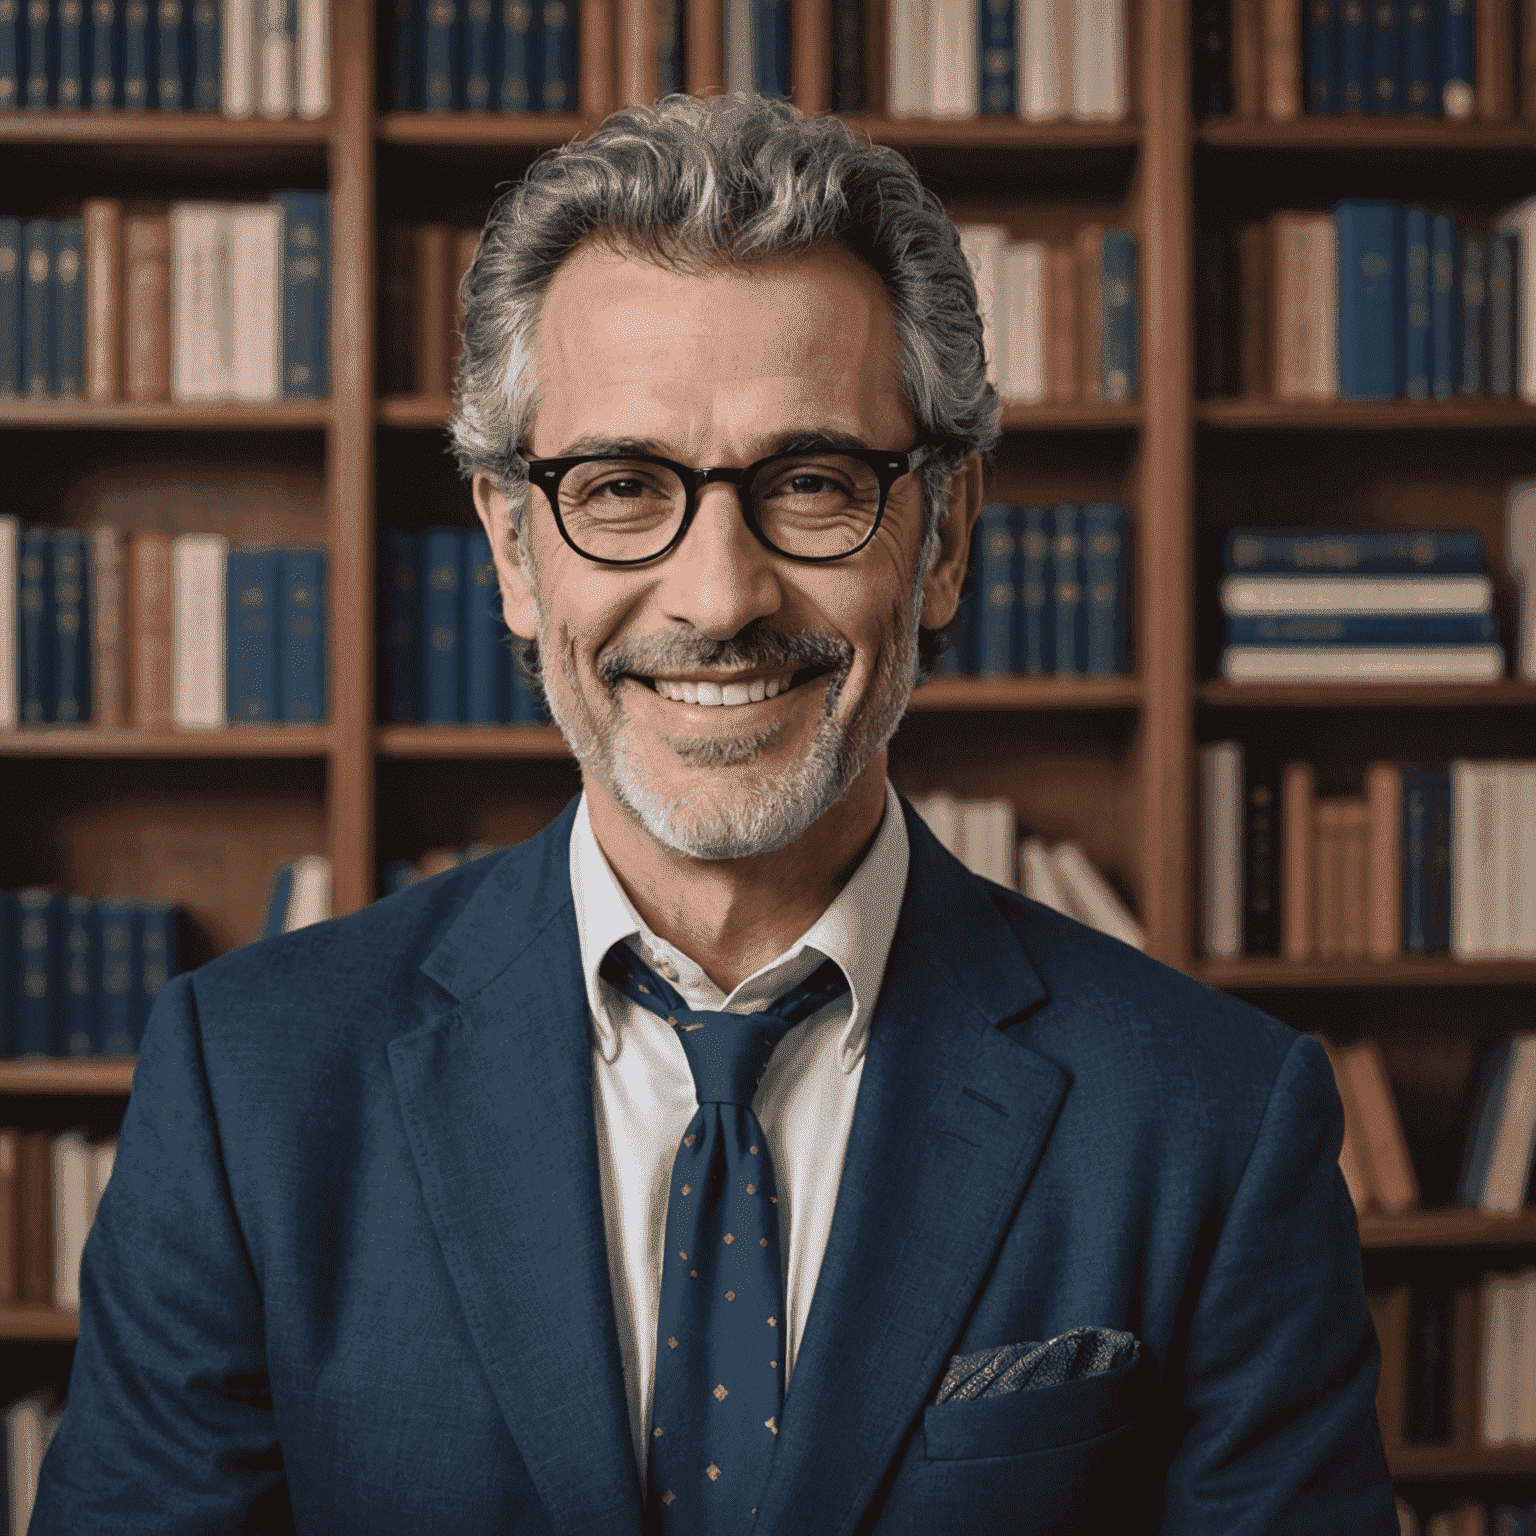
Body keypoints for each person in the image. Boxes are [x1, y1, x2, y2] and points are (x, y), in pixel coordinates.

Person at [33, 93, 1399, 1534]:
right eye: (621, 488)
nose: (718, 598)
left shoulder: (1217, 1124)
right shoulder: (247, 1089)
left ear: (944, 541)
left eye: (813, 483)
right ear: (512, 551)